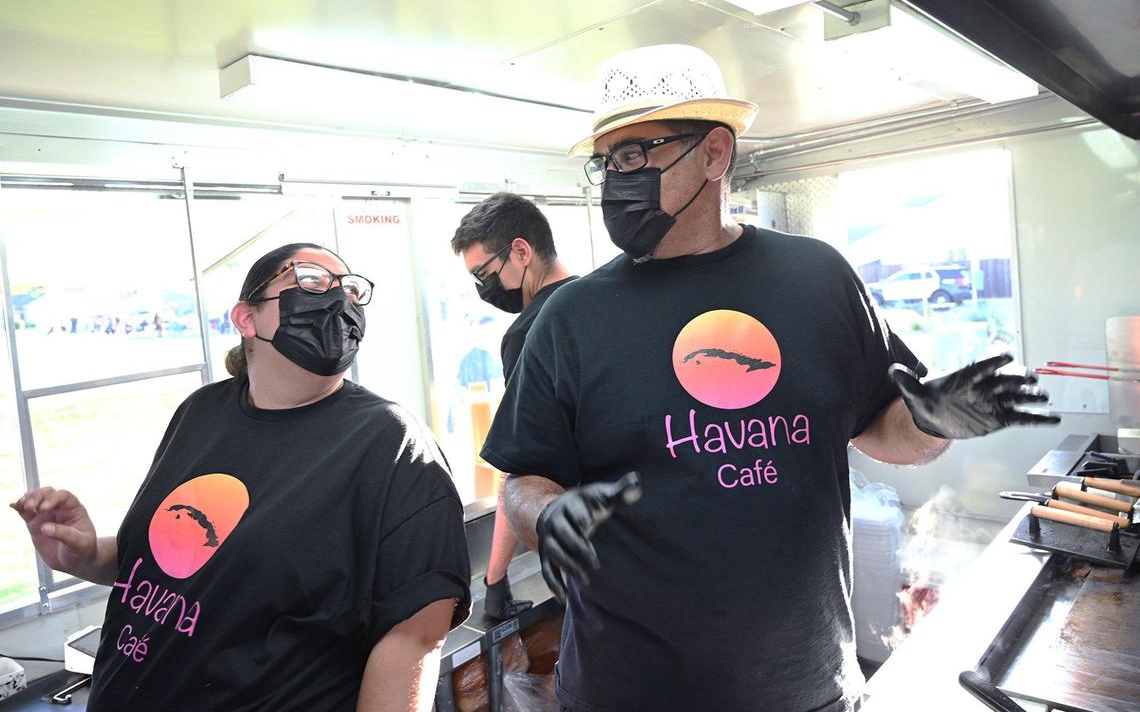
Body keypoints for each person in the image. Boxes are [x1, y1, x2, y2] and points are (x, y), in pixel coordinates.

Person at [480, 44, 1059, 712]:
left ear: (714, 153)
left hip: (806, 686)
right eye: (607, 161)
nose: (618, 178)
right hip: (625, 691)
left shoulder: (818, 279)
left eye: (636, 153)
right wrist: (547, 515)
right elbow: (522, 480)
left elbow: (885, 427)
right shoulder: (572, 318)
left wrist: (936, 420)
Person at [11, 243, 471, 712]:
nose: (338, 299)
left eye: (350, 290)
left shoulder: (390, 444)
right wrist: (88, 556)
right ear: (246, 319)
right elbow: (180, 562)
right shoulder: (201, 412)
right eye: (310, 280)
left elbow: (415, 637)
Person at [451, 192, 577, 620]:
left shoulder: (530, 332)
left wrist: (495, 579)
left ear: (521, 251)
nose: (484, 290)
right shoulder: (601, 300)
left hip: (582, 548)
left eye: (484, 274)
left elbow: (520, 465)